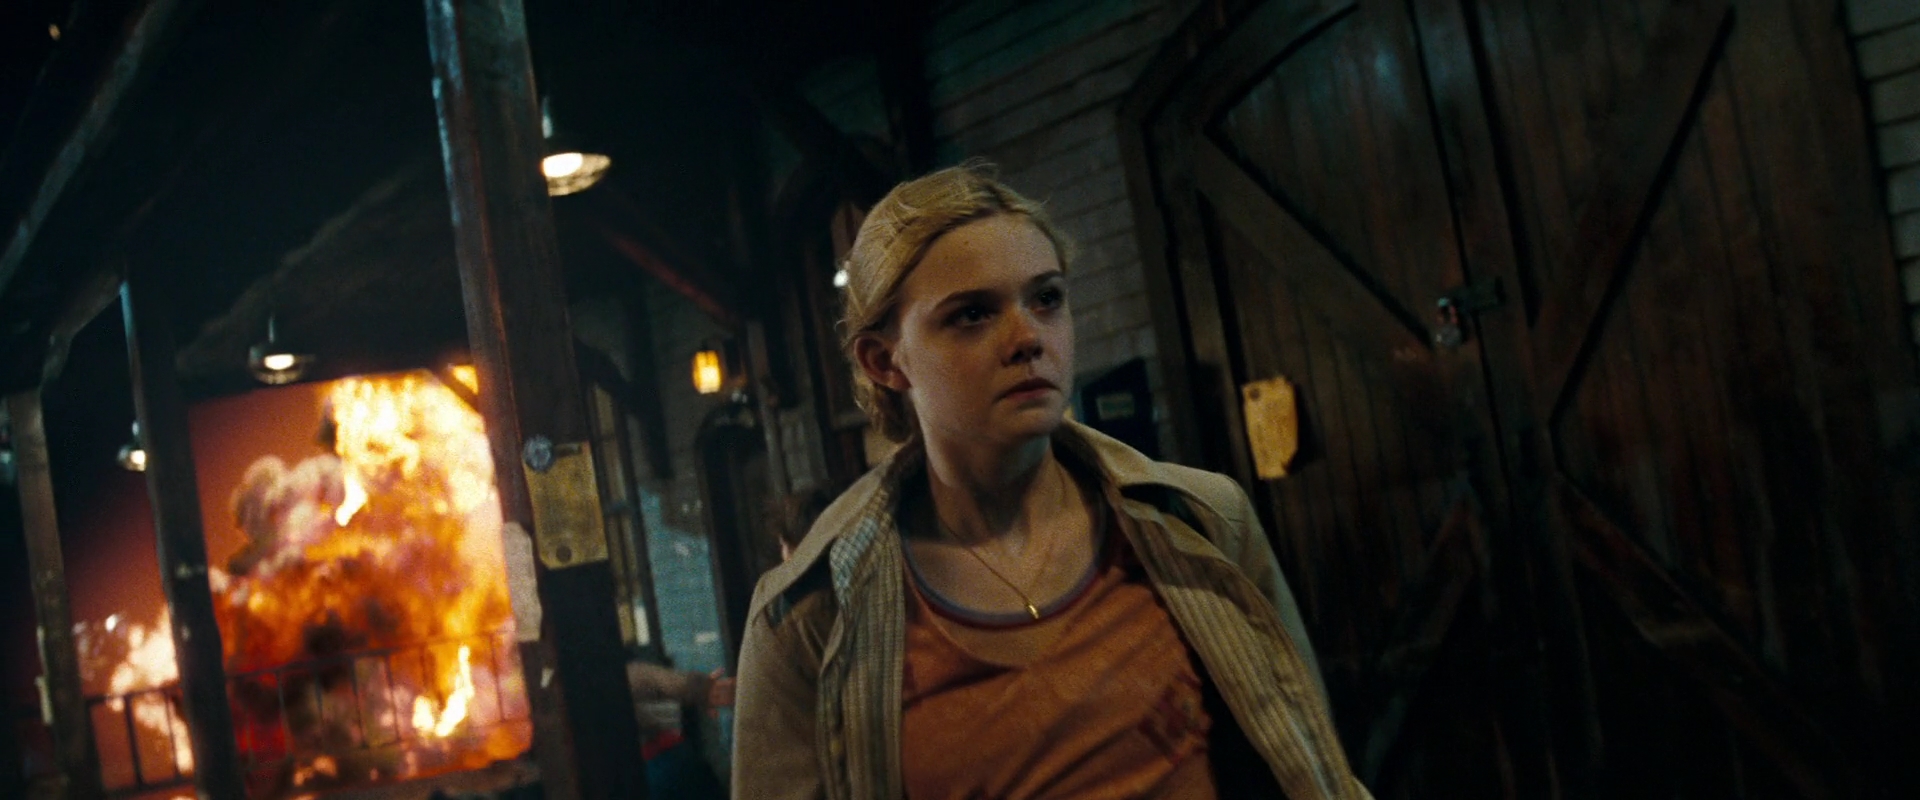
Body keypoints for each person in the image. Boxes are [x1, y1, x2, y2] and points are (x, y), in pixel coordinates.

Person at [732, 163, 1370, 799]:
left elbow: (1308, 766)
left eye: (1046, 299)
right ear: (884, 360)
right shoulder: (809, 615)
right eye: (972, 314)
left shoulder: (1197, 520)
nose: (1028, 338)